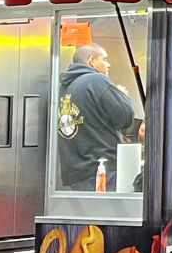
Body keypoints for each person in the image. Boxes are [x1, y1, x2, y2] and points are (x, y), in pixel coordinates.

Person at [56, 43, 137, 190]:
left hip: (76, 173)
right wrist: (122, 96)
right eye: (104, 59)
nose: (108, 64)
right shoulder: (97, 81)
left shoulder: (64, 88)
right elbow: (125, 118)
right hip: (103, 170)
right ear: (91, 61)